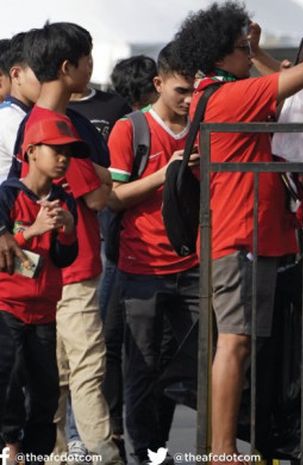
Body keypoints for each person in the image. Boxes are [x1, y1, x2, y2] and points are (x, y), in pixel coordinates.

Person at [172, 2, 303, 461]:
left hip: (249, 234)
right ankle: (223, 448)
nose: (248, 56)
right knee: (235, 341)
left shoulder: (221, 91)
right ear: (220, 54)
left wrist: (253, 47)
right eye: (241, 49)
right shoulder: (231, 95)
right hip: (239, 236)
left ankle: (226, 444)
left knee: (240, 341)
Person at [17, 22, 120, 465]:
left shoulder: (35, 122)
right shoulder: (57, 128)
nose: (91, 67)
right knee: (87, 370)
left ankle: (56, 454)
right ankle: (102, 454)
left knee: (57, 374)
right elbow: (99, 195)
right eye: (87, 58)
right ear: (67, 66)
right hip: (73, 267)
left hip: (49, 269)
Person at [106, 42, 197, 465]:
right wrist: (166, 173)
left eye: (196, 91)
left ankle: (161, 448)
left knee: (187, 366)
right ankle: (143, 451)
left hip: (195, 266)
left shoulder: (205, 127)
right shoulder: (131, 128)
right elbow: (113, 197)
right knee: (140, 367)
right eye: (181, 90)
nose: (189, 99)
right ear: (158, 83)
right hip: (141, 268)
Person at [0, 110, 82, 460]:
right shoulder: (6, 195)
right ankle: (9, 448)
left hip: (45, 310)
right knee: (7, 386)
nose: (64, 159)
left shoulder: (65, 201)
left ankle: (35, 452)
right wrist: (31, 230)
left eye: (68, 152)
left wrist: (67, 231)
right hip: (7, 308)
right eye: (56, 150)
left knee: (46, 391)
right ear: (31, 151)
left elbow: (66, 257)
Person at [0, 32, 41, 182]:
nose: (47, 78)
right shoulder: (12, 118)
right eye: (40, 72)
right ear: (16, 74)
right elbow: (43, 163)